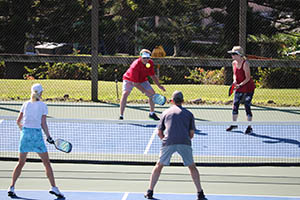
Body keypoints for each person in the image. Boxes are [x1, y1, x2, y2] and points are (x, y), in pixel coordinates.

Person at [144, 91, 206, 200]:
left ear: (172, 100)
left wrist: (166, 140)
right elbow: (191, 134)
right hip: (184, 142)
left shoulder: (165, 113)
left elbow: (159, 132)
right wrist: (184, 140)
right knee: (192, 167)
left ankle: (150, 191)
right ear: (182, 101)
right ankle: (200, 193)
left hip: (168, 142)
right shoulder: (189, 114)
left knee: (158, 166)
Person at [8, 83, 64, 198]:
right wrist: (49, 137)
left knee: (20, 163)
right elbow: (43, 123)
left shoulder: (25, 104)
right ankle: (54, 187)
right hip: (37, 136)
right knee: (46, 163)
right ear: (41, 93)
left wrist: (23, 131)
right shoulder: (43, 106)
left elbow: (18, 121)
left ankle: (11, 187)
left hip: (25, 135)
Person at [119, 49, 166, 120]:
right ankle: (121, 115)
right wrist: (145, 91)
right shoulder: (135, 66)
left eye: (147, 58)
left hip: (142, 79)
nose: (146, 59)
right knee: (125, 94)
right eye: (144, 58)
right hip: (129, 79)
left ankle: (152, 113)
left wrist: (159, 85)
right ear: (140, 57)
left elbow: (153, 75)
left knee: (152, 93)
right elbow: (135, 84)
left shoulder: (150, 63)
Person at [226, 46, 256, 134]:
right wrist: (235, 81)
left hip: (248, 88)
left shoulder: (245, 64)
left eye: (234, 54)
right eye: (232, 54)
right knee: (235, 105)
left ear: (239, 55)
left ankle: (249, 126)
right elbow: (234, 74)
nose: (232, 56)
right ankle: (234, 124)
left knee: (247, 104)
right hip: (238, 87)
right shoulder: (233, 63)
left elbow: (248, 78)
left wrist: (240, 85)